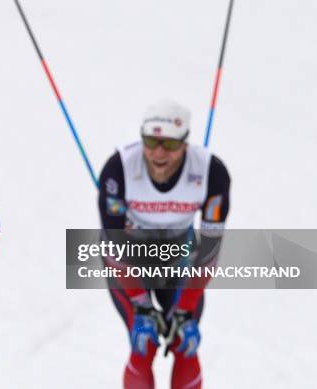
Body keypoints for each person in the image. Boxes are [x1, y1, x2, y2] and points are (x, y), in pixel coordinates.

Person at [98, 100, 230, 389]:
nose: (158, 153)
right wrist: (141, 304)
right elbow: (112, 247)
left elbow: (209, 249)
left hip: (179, 258)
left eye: (169, 144)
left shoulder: (211, 172)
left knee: (186, 342)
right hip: (129, 262)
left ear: (185, 144)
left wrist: (186, 307)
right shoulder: (119, 168)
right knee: (142, 344)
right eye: (151, 141)